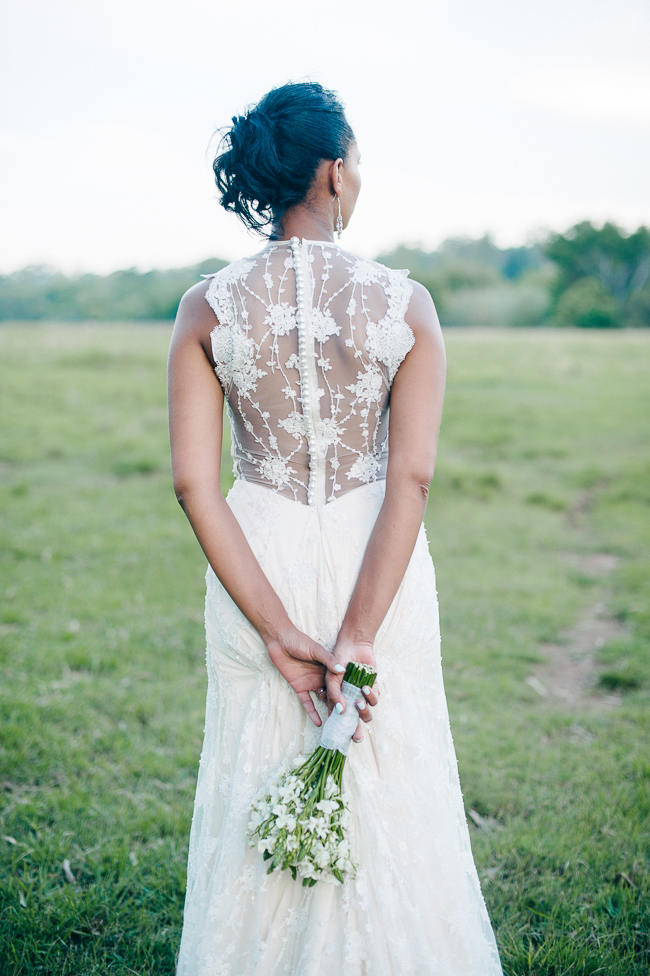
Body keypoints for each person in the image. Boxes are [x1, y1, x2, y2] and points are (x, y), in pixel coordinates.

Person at [168, 80, 504, 975]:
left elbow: (197, 486)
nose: (357, 176)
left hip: (259, 556)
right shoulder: (405, 304)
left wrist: (280, 633)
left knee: (257, 754)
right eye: (355, 160)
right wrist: (357, 633)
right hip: (377, 560)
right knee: (392, 764)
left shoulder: (207, 307)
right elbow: (414, 475)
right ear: (331, 172)